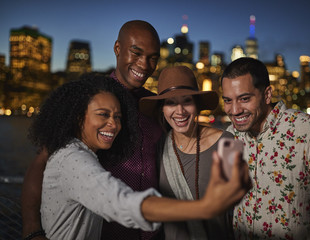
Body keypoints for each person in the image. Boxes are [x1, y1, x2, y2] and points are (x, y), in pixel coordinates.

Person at [26, 74, 250, 240]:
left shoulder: (225, 141)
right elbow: (120, 202)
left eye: (118, 117)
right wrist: (204, 208)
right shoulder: (73, 158)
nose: (113, 124)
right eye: (103, 115)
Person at [21, 20, 163, 240]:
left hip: (152, 233)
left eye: (153, 57)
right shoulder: (88, 101)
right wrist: (31, 229)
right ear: (117, 49)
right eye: (136, 53)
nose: (144, 64)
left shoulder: (156, 105)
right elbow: (41, 162)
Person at [221, 57, 310, 239]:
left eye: (244, 99)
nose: (234, 110)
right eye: (228, 100)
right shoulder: (230, 136)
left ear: (267, 95)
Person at [139, 66, 237, 239]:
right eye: (170, 102)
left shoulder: (227, 142)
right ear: (162, 108)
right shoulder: (158, 147)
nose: (180, 111)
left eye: (187, 101)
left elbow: (237, 210)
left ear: (197, 105)